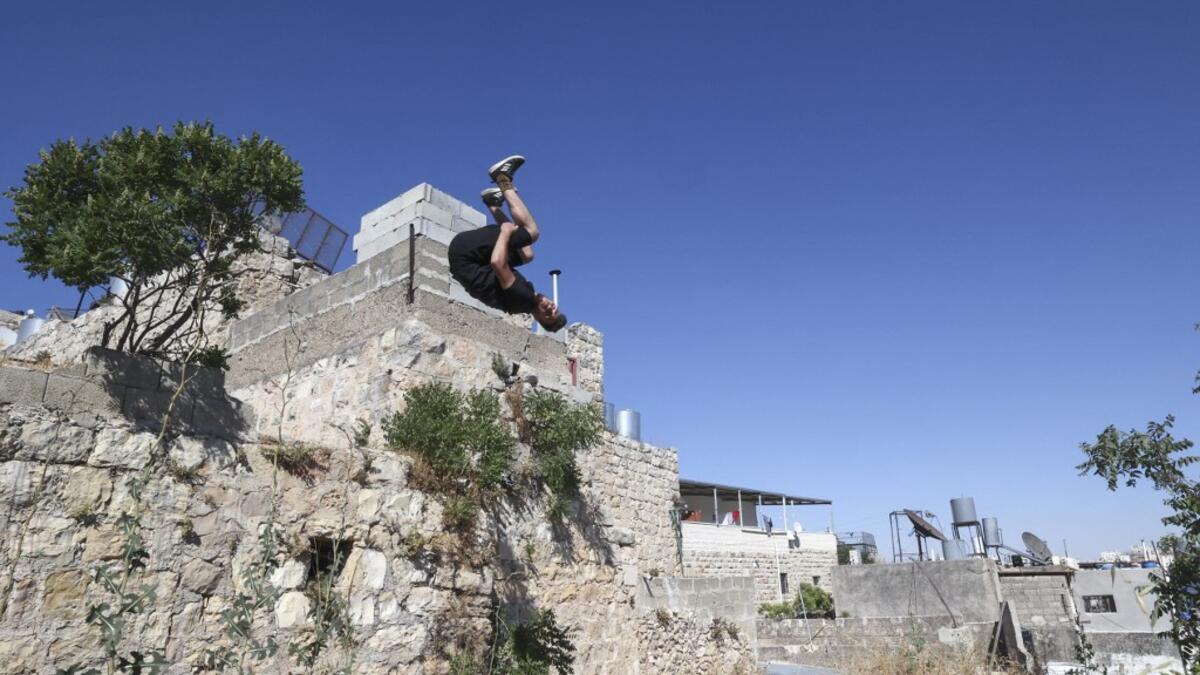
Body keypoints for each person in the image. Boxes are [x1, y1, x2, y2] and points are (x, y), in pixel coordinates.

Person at [447, 155, 567, 332]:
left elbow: (497, 263)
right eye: (555, 309)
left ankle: (502, 178)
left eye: (548, 315)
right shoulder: (525, 298)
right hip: (469, 259)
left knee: (531, 232)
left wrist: (505, 232)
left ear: (538, 318)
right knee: (527, 255)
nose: (550, 308)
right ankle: (493, 203)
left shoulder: (523, 297)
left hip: (466, 254)